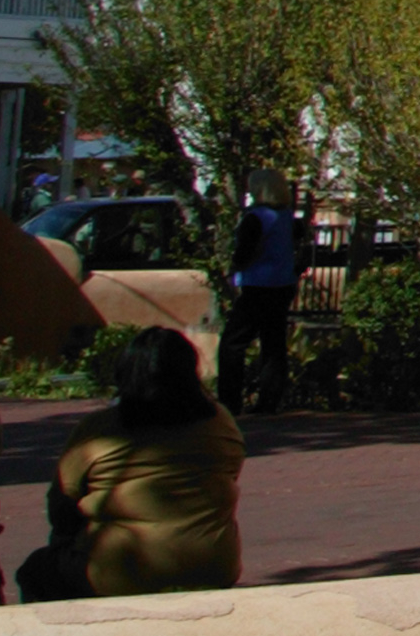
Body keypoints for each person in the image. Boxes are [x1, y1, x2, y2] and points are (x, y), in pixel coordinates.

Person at [22, 327, 242, 601]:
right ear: (192, 372)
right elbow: (231, 472)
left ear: (126, 375)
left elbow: (62, 505)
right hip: (214, 566)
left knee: (36, 571)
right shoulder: (220, 421)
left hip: (119, 574)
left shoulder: (98, 429)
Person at [218, 196, 307, 417]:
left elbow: (244, 252)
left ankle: (230, 402)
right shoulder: (288, 218)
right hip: (283, 284)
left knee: (232, 344)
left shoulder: (255, 218)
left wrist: (234, 267)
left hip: (257, 285)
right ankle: (269, 401)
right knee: (273, 343)